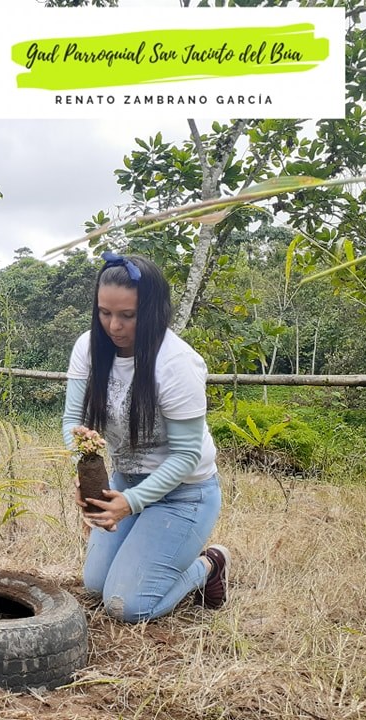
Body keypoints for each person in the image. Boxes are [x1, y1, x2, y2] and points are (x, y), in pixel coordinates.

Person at [62, 252, 229, 624]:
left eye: (128, 315)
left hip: (184, 494)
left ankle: (208, 565)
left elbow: (186, 456)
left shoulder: (176, 363)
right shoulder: (88, 348)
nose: (114, 326)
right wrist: (86, 476)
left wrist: (131, 503)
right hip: (125, 482)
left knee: (127, 606)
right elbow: (73, 421)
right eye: (104, 312)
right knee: (95, 586)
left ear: (152, 310)